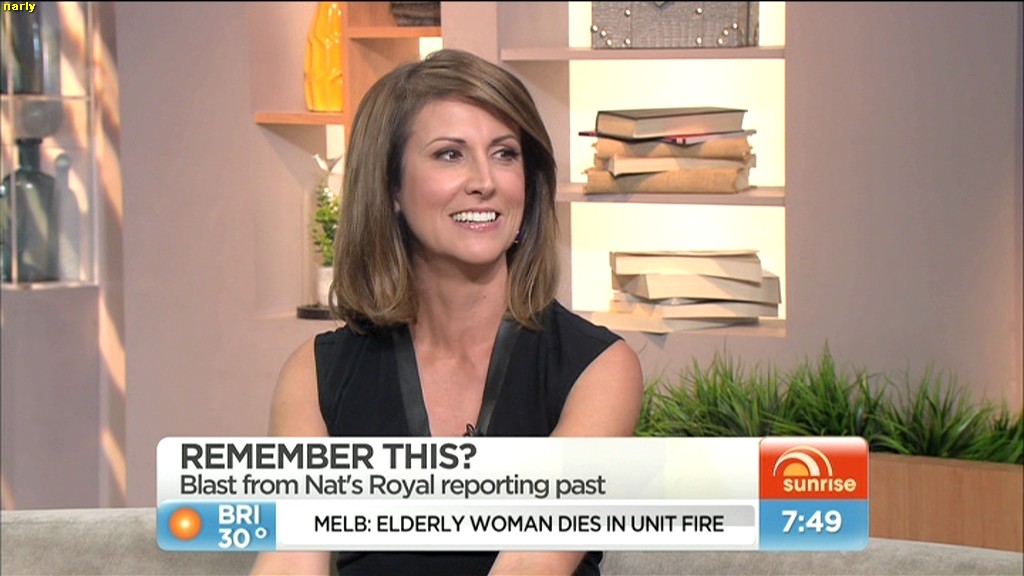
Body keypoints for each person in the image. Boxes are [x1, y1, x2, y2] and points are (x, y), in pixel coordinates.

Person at [250, 48, 643, 576]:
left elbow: (532, 563)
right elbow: (292, 560)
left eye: (504, 154)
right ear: (391, 186)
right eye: (450, 154)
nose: (485, 180)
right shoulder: (316, 375)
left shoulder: (595, 369)